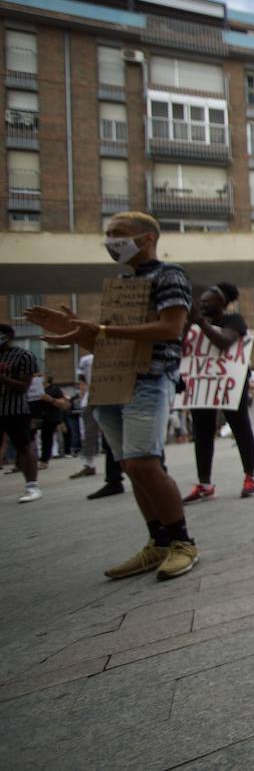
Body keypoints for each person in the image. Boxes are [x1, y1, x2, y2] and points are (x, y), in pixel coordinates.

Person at [25, 211, 198, 579]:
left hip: (150, 378)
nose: (110, 241)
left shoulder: (170, 274)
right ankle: (158, 543)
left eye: (118, 234)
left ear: (147, 238)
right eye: (108, 234)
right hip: (112, 380)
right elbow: (108, 342)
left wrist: (100, 330)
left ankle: (182, 542)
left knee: (144, 464)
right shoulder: (122, 284)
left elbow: (171, 328)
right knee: (130, 466)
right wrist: (76, 331)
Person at [183, 283, 254, 502]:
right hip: (203, 383)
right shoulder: (195, 323)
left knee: (239, 425)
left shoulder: (233, 321)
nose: (203, 304)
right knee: (202, 431)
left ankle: (249, 477)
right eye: (201, 302)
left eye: (208, 301)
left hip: (230, 382)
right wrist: (189, 323)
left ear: (222, 303)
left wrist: (199, 323)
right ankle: (205, 483)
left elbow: (224, 342)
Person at [0, 324, 41, 503]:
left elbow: (23, 387)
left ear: (7, 336)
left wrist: (2, 378)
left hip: (14, 409)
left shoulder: (23, 356)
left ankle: (32, 487)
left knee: (23, 446)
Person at [70, 351, 102, 478]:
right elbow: (82, 382)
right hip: (96, 398)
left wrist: (84, 398)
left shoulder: (86, 359)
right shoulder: (87, 359)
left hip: (92, 398)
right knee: (90, 433)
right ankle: (89, 465)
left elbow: (82, 382)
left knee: (89, 433)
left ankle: (89, 465)